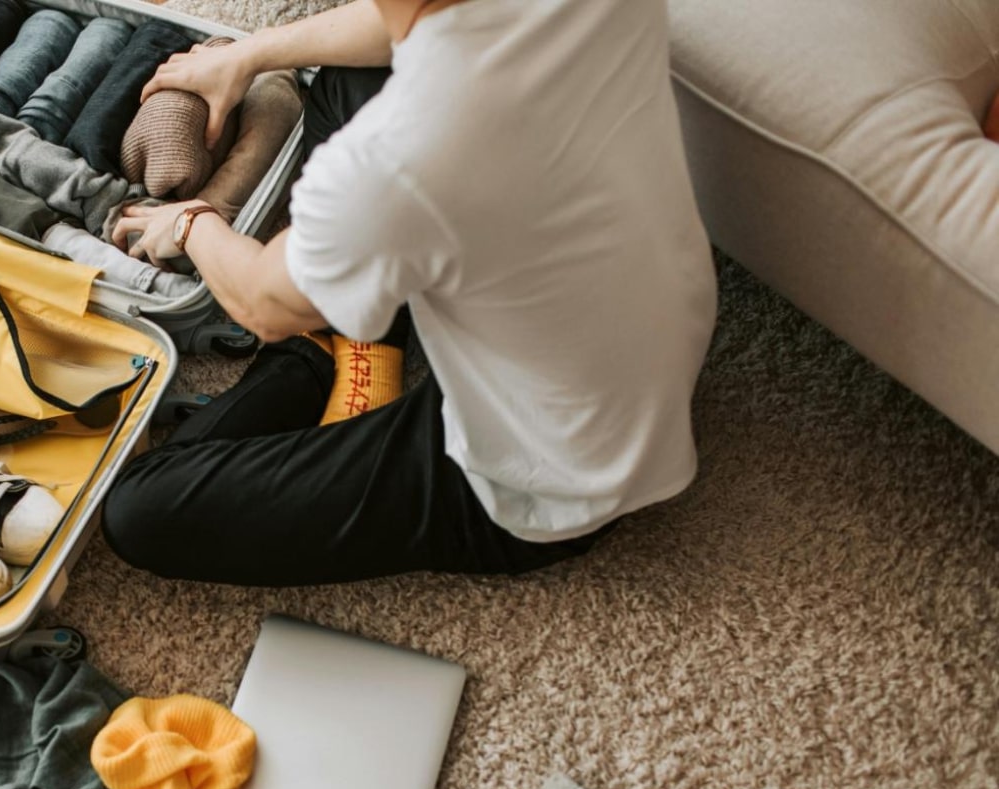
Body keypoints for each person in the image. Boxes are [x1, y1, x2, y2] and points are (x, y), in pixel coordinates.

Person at [102, 0, 718, 587]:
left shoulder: (393, 158)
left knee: (139, 506)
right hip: (641, 337)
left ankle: (321, 357)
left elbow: (262, 307)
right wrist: (249, 54)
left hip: (551, 480)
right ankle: (350, 323)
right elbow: (402, 21)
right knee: (347, 81)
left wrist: (190, 222)